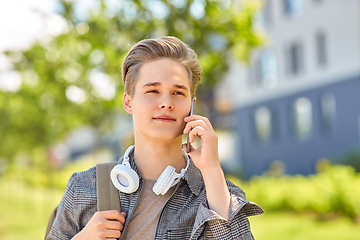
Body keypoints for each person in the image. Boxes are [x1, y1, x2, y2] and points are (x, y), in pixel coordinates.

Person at [46, 36, 263, 240]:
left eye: (178, 93)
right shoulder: (84, 187)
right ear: (128, 102)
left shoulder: (219, 194)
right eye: (153, 91)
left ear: (192, 105)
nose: (166, 103)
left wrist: (212, 170)